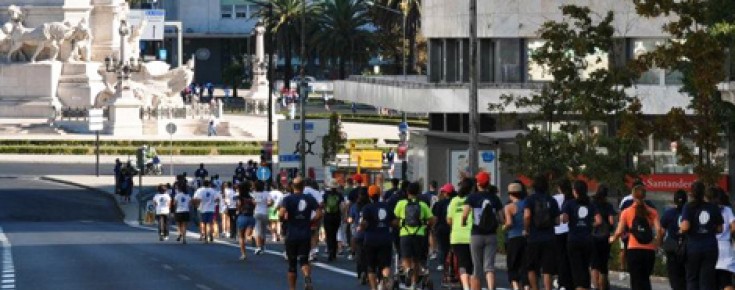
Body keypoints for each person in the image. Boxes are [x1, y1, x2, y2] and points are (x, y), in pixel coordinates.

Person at [609, 182, 662, 290]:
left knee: (636, 281)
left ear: (633, 196)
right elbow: (659, 230)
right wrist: (657, 242)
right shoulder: (652, 212)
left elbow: (619, 231)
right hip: (649, 250)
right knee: (645, 280)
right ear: (645, 196)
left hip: (633, 249)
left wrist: (612, 238)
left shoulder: (626, 212)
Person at [462, 172, 503, 290]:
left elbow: (465, 214)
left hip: (476, 234)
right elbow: (501, 218)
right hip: (491, 235)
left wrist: (463, 222)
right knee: (489, 267)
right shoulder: (495, 198)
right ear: (489, 183)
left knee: (477, 267)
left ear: (477, 183)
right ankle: (491, 288)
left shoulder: (472, 197)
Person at [279, 177, 322, 290]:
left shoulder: (288, 199)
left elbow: (281, 213)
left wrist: (282, 219)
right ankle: (307, 277)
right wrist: (311, 221)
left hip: (292, 233)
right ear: (303, 186)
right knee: (304, 260)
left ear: (293, 186)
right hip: (305, 233)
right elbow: (319, 212)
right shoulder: (309, 198)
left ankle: (292, 288)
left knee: (292, 264)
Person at [680, 181, 724, 290]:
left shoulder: (688, 207)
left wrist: (681, 229)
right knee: (707, 280)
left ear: (692, 193)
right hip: (710, 247)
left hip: (693, 248)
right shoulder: (713, 207)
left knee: (692, 279)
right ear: (704, 192)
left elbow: (685, 226)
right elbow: (720, 228)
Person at [394, 182, 435, 289]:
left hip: (405, 233)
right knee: (416, 260)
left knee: (405, 256)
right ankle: (413, 284)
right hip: (419, 234)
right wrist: (426, 225)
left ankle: (407, 270)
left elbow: (395, 218)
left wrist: (399, 225)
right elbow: (431, 219)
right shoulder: (422, 205)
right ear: (418, 192)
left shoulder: (401, 203)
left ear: (407, 192)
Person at [561, 180, 601, 290]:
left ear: (575, 191)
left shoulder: (569, 203)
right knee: (585, 267)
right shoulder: (591, 204)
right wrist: (589, 224)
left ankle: (579, 287)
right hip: (587, 240)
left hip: (573, 239)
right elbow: (599, 220)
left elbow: (564, 219)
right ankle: (586, 286)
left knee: (576, 269)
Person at [523, 174, 560, 290]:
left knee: (532, 267)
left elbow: (527, 215)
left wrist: (526, 229)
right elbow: (558, 221)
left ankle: (535, 288)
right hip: (549, 237)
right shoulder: (552, 200)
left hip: (534, 237)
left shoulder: (530, 200)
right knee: (547, 269)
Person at [360, 185, 395, 290]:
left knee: (371, 267)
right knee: (386, 265)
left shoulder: (367, 207)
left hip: (370, 239)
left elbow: (364, 223)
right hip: (385, 239)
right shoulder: (387, 206)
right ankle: (384, 280)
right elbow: (394, 222)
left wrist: (361, 227)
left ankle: (374, 288)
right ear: (380, 194)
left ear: (369, 195)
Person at [448, 178, 474, 290]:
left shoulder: (454, 201)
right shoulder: (474, 199)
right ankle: (473, 285)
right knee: (473, 263)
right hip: (472, 235)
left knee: (462, 263)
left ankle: (466, 286)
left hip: (457, 236)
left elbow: (449, 220)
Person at [659, 189, 688, 290]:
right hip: (687, 248)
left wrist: (660, 244)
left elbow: (661, 231)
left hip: (672, 247)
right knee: (687, 277)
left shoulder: (669, 213)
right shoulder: (690, 212)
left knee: (674, 278)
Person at [590, 185, 616, 290]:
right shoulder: (608, 205)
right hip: (605, 238)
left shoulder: (592, 204)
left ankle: (596, 286)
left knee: (594, 265)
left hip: (593, 236)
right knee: (603, 266)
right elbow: (611, 222)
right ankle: (603, 287)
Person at [503, 182, 527, 290]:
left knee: (512, 265)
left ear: (511, 194)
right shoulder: (527, 204)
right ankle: (526, 286)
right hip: (526, 238)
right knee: (524, 265)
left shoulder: (509, 207)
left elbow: (509, 223)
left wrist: (504, 227)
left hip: (513, 238)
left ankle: (516, 286)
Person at [552, 179, 573, 290]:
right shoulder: (573, 198)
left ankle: (562, 281)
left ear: (559, 188)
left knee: (561, 258)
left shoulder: (555, 198)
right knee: (570, 257)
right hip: (570, 231)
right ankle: (571, 281)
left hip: (558, 230)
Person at [713, 186, 735, 290]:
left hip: (711, 246)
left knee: (712, 281)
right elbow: (734, 226)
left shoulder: (709, 209)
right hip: (725, 246)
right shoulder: (727, 209)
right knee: (726, 280)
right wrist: (728, 234)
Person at [349, 186, 370, 284]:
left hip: (358, 234)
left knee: (359, 254)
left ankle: (360, 272)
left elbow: (350, 219)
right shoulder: (370, 205)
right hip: (370, 234)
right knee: (368, 254)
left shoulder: (354, 206)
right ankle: (367, 272)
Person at [432, 183, 454, 271]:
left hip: (440, 228)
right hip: (452, 227)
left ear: (445, 193)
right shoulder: (454, 202)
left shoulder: (439, 203)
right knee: (450, 247)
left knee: (441, 246)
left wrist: (433, 227)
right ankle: (451, 264)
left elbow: (435, 217)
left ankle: (441, 263)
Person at [322, 180, 344, 262]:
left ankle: (330, 252)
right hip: (336, 216)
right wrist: (344, 215)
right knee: (334, 234)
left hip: (327, 216)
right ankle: (334, 253)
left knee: (329, 234)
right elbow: (342, 206)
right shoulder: (339, 195)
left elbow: (323, 205)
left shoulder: (325, 195)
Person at [236, 182, 256, 260]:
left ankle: (243, 254)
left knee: (241, 236)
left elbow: (238, 205)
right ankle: (251, 238)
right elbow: (255, 205)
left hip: (242, 217)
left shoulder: (239, 197)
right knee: (248, 235)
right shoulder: (251, 197)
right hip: (251, 217)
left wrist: (238, 209)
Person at [253, 180, 273, 254]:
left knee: (257, 230)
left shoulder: (254, 194)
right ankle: (263, 246)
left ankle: (258, 247)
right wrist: (267, 205)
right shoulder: (266, 193)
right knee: (263, 231)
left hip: (257, 212)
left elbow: (253, 202)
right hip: (265, 212)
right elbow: (270, 202)